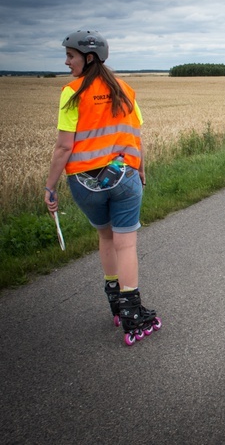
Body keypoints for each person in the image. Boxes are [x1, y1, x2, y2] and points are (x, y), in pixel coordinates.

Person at [44, 30, 161, 346]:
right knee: (126, 244)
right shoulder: (124, 90)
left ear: (89, 57)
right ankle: (132, 314)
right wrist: (141, 170)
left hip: (85, 183)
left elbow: (63, 148)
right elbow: (135, 135)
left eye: (71, 55)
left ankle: (114, 300)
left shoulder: (72, 93)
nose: (67, 61)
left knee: (106, 237)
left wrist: (49, 187)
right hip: (125, 177)